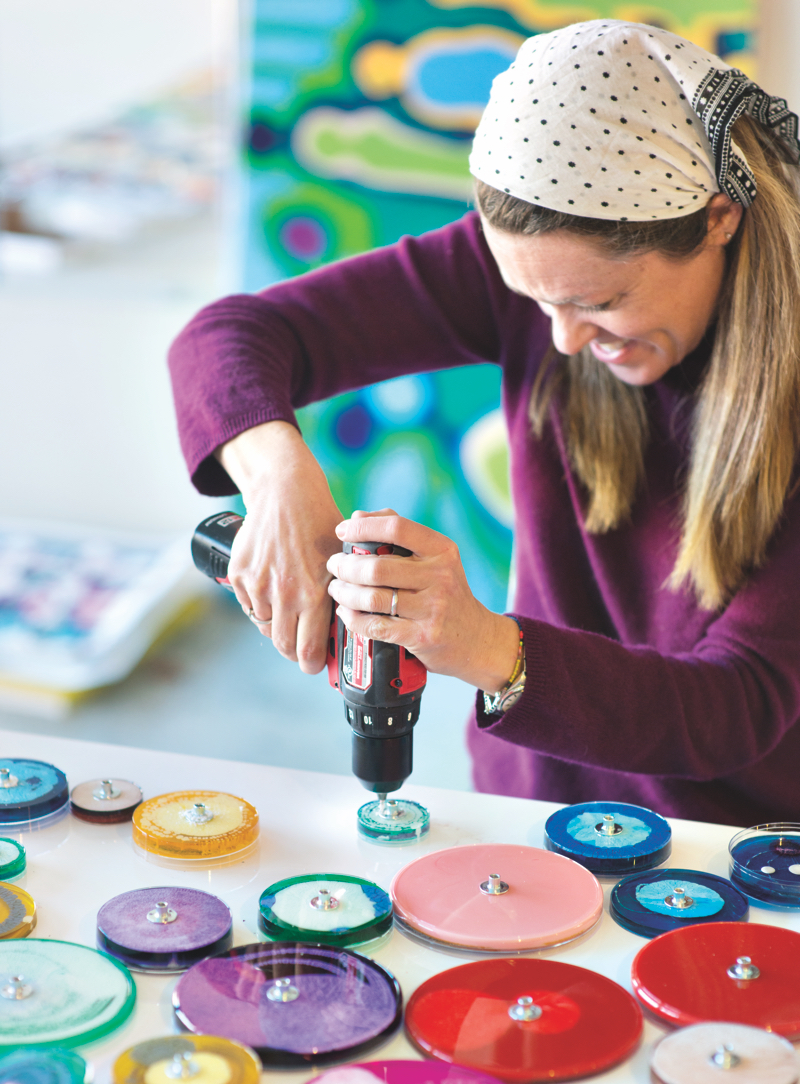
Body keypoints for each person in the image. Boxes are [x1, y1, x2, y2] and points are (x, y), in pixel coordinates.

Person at [169, 20, 800, 828]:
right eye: (537, 301)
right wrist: (280, 478)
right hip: (524, 809)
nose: (564, 338)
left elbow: (736, 707)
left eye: (600, 303)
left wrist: (479, 642)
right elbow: (225, 339)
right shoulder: (531, 273)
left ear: (718, 219)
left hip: (725, 848)